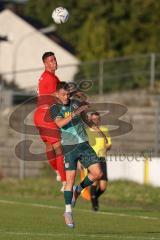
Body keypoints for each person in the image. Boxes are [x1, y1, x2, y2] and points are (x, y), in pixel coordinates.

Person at [50, 82, 102, 228]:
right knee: (70, 180)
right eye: (63, 94)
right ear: (56, 94)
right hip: (70, 147)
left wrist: (93, 126)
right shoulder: (55, 108)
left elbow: (84, 117)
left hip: (84, 145)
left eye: (68, 94)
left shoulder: (75, 103)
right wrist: (74, 113)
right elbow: (60, 124)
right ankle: (68, 212)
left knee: (97, 173)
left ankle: (78, 190)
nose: (66, 97)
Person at [34, 52, 66, 190]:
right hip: (47, 115)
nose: (54, 62)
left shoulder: (49, 77)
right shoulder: (50, 78)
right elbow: (56, 97)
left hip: (39, 115)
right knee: (59, 148)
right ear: (45, 64)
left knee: (49, 146)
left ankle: (58, 172)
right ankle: (65, 182)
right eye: (51, 60)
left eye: (55, 59)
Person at [86, 112, 112, 211]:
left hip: (102, 159)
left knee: (103, 186)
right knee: (94, 181)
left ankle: (94, 197)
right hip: (91, 159)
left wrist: (107, 147)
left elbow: (109, 144)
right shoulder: (87, 131)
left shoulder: (104, 130)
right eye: (93, 119)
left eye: (97, 119)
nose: (95, 121)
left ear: (99, 120)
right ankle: (94, 205)